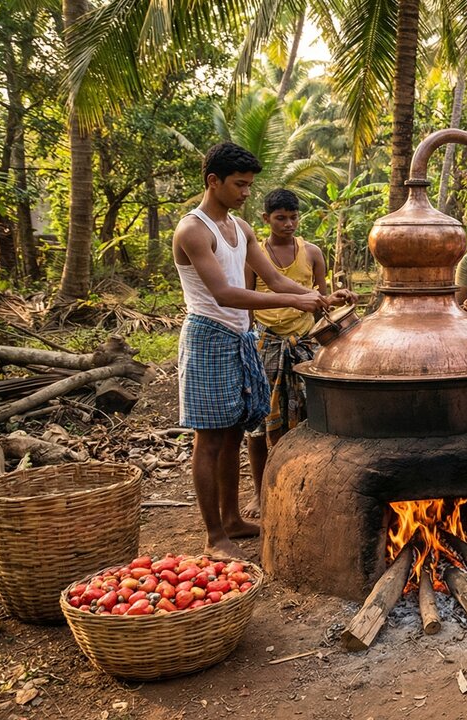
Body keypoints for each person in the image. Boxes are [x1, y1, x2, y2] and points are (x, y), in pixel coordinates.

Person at [173, 143, 333, 557]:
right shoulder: (193, 230)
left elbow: (276, 282)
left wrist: (317, 297)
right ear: (214, 181)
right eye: (240, 185)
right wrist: (294, 302)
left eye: (249, 185)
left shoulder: (240, 228)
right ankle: (214, 537)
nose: (246, 192)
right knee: (208, 439)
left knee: (231, 435)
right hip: (208, 336)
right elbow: (226, 294)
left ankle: (232, 519)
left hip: (240, 338)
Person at [243, 189, 355, 518]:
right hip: (267, 344)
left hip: (304, 343)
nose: (288, 224)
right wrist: (250, 345)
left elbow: (320, 302)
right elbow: (249, 301)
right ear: (266, 219)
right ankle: (261, 492)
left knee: (309, 418)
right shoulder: (255, 255)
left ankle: (306, 486)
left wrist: (335, 301)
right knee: (262, 424)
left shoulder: (312, 252)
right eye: (281, 218)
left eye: (293, 217)